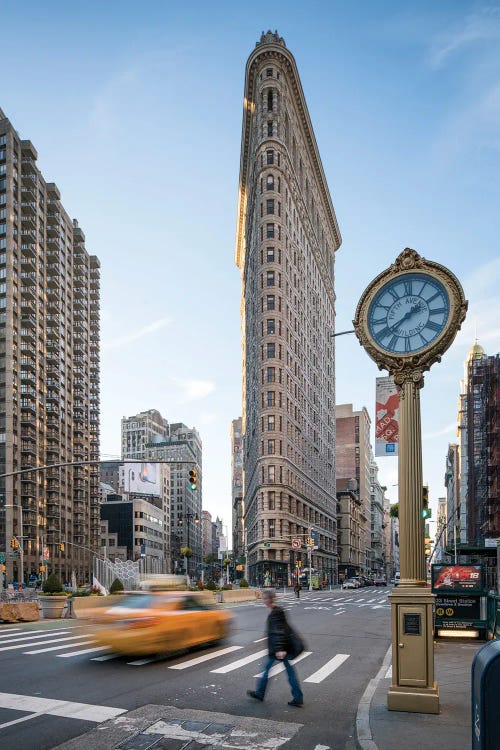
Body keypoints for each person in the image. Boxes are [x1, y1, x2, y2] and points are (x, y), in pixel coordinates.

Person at [247, 588, 304, 707]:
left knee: (284, 672)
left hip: (278, 649)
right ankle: (261, 693)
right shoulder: (276, 611)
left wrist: (279, 649)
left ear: (270, 599)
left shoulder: (276, 613)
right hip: (278, 648)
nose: (263, 601)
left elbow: (279, 631)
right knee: (276, 670)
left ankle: (297, 697)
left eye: (265, 598)